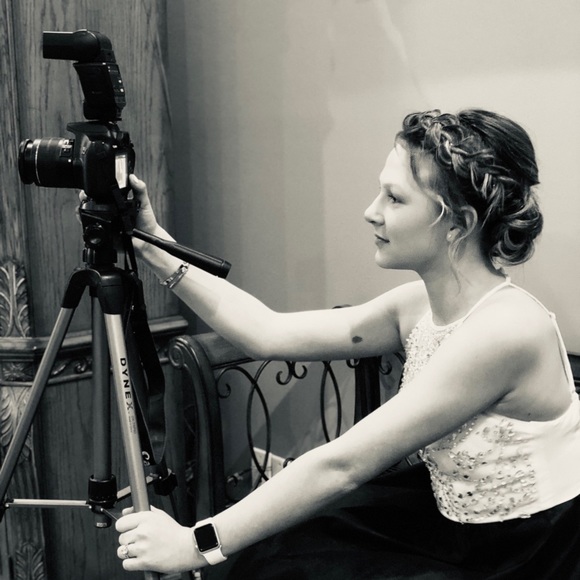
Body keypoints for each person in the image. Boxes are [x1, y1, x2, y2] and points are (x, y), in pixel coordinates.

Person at [113, 109, 580, 578]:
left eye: (394, 198)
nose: (371, 211)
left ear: (458, 223)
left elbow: (343, 466)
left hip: (523, 552)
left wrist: (196, 545)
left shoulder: (505, 330)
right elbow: (267, 332)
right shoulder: (415, 305)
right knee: (278, 554)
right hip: (448, 521)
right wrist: (153, 245)